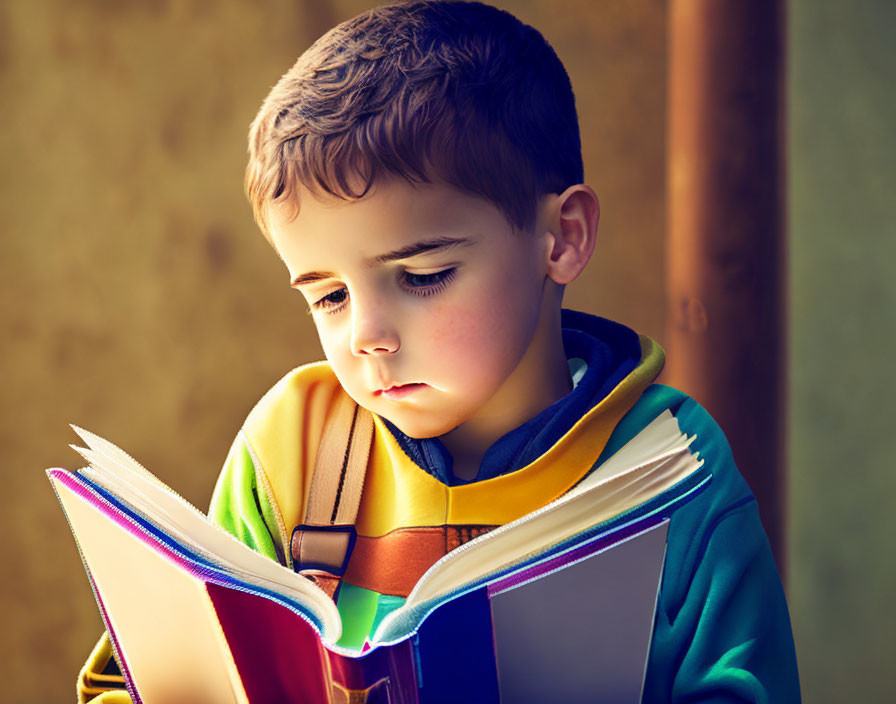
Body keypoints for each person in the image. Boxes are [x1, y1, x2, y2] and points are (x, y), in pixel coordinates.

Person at [78, 1, 801, 701]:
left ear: (563, 237)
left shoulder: (668, 468)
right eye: (327, 296)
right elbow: (144, 677)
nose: (365, 336)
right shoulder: (292, 449)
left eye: (422, 277)